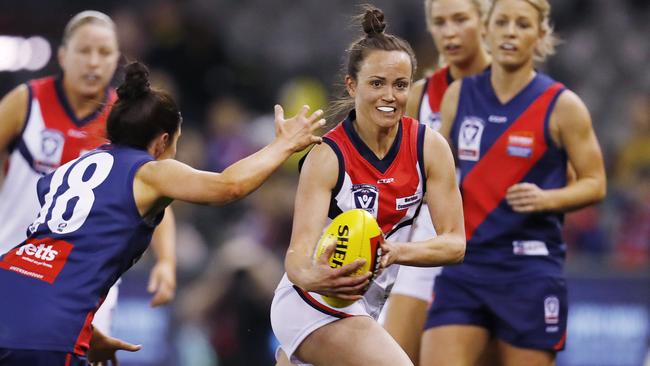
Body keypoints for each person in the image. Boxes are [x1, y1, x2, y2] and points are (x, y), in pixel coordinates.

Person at [0, 61, 324, 365]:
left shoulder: (72, 167)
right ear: (163, 142)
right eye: (177, 143)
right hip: (51, 329)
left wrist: (89, 332)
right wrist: (283, 145)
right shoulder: (150, 171)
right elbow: (230, 186)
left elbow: (58, 252)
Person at [270, 6, 465, 366]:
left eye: (400, 85)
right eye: (377, 83)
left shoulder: (429, 147)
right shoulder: (327, 156)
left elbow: (455, 243)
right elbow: (296, 258)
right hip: (314, 302)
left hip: (369, 303)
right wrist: (319, 276)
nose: (389, 96)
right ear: (351, 85)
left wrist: (394, 252)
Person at [421, 0, 606, 365]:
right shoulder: (460, 95)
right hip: (465, 267)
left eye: (522, 25)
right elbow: (437, 171)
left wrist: (547, 199)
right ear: (486, 30)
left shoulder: (563, 105)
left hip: (530, 273)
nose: (510, 32)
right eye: (502, 22)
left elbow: (595, 183)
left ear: (540, 36)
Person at [0, 10, 176, 335]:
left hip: (87, 283)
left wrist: (166, 262)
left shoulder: (128, 121)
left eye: (105, 52)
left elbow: (158, 188)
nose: (94, 62)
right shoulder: (27, 101)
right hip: (13, 263)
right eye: (84, 51)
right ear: (63, 56)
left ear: (116, 61)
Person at [382, 0, 491, 362]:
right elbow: (398, 175)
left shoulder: (517, 91)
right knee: (389, 354)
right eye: (440, 22)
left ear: (484, 22)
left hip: (493, 248)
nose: (450, 32)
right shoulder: (420, 94)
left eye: (461, 19)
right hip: (431, 240)